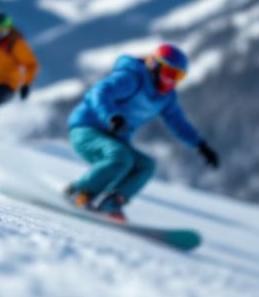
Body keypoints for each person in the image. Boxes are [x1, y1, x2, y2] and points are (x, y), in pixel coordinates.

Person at [65, 44, 218, 222]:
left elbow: (178, 123)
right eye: (169, 73)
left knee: (146, 165)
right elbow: (98, 93)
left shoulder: (166, 97)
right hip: (87, 129)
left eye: (178, 76)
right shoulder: (132, 78)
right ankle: (78, 192)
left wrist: (200, 145)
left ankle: (112, 204)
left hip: (115, 138)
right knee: (120, 157)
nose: (171, 81)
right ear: (154, 65)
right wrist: (111, 116)